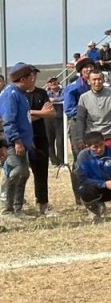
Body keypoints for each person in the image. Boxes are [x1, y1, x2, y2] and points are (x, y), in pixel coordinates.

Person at [0, 63, 37, 219]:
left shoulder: (21, 94)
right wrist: (16, 141)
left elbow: (24, 119)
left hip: (23, 142)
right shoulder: (10, 94)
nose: (33, 80)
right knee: (16, 171)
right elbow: (8, 120)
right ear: (23, 78)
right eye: (31, 77)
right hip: (12, 143)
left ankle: (17, 208)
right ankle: (6, 209)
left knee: (24, 173)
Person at [24, 68, 56, 217]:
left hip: (40, 137)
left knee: (41, 172)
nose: (34, 77)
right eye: (31, 75)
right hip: (24, 138)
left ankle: (43, 204)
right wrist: (40, 113)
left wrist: (30, 113)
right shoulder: (18, 95)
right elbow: (20, 117)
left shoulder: (41, 93)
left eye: (35, 75)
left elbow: (51, 113)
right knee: (21, 172)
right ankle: (18, 204)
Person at [63, 57, 95, 205]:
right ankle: (79, 195)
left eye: (91, 66)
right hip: (77, 125)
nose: (89, 69)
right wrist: (86, 112)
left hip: (92, 123)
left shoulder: (94, 85)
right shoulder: (73, 87)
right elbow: (69, 109)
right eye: (86, 67)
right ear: (81, 70)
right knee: (79, 159)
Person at [75, 131, 111, 222]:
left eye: (101, 145)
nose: (99, 149)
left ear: (104, 141)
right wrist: (103, 184)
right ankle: (95, 211)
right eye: (95, 147)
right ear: (88, 146)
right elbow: (83, 179)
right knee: (84, 189)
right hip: (95, 188)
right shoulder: (83, 156)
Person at [74, 70, 111, 150]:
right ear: (89, 81)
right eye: (94, 79)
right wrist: (79, 139)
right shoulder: (84, 98)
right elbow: (80, 120)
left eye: (99, 79)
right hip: (92, 140)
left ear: (103, 80)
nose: (97, 82)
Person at [44, 76, 65, 167]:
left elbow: (64, 98)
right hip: (48, 119)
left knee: (60, 141)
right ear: (48, 84)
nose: (53, 83)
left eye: (54, 81)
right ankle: (54, 161)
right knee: (49, 140)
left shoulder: (63, 90)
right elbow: (46, 101)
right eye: (50, 82)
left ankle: (61, 161)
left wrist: (54, 100)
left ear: (58, 82)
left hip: (59, 118)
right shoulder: (45, 93)